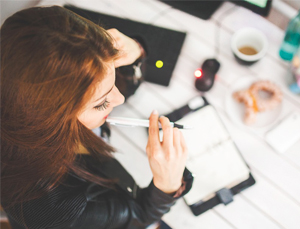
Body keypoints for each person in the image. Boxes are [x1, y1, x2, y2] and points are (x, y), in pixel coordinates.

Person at [1, 6, 193, 229]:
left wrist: (136, 49)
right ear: (52, 120)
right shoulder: (55, 208)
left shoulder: (33, 79)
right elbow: (138, 218)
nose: (119, 98)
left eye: (113, 74)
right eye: (101, 103)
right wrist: (167, 185)